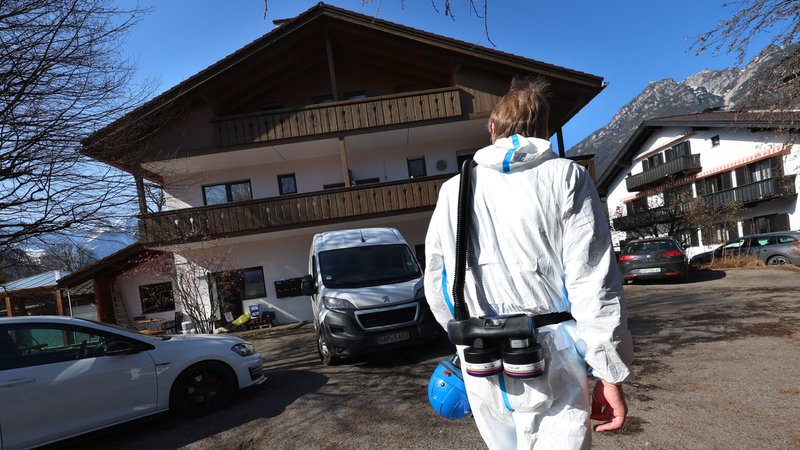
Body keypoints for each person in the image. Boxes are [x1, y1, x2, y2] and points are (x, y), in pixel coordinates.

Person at [424, 77, 633, 449]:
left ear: (492, 131)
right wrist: (608, 372)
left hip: (482, 360)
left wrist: (466, 340)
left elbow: (438, 284)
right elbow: (593, 282)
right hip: (554, 355)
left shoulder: (452, 191)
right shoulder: (566, 177)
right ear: (546, 130)